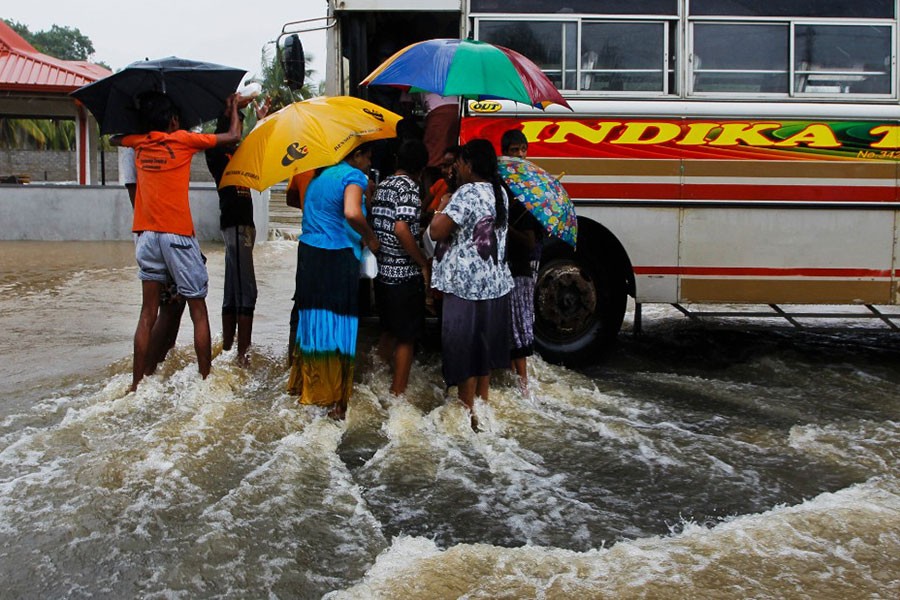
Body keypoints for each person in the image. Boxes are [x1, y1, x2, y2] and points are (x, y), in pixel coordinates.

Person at [112, 91, 242, 392]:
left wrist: (142, 132)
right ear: (173, 120)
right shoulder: (183, 139)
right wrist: (233, 106)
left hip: (145, 236)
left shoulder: (139, 143)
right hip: (178, 236)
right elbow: (233, 137)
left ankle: (135, 384)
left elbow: (114, 140)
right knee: (198, 309)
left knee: (147, 313)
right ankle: (206, 381)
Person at [288, 143, 381, 420]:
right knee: (339, 326)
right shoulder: (351, 176)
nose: (368, 163)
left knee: (314, 323)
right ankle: (336, 404)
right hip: (336, 256)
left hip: (309, 255)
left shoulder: (317, 178)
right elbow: (352, 213)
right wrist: (371, 237)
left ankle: (309, 392)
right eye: (367, 156)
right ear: (355, 156)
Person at [428, 139, 514, 430]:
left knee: (464, 349)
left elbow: (437, 231)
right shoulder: (499, 191)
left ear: (470, 165)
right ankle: (482, 408)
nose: (457, 168)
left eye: (461, 163)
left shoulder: (465, 193)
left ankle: (466, 415)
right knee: (483, 348)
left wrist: (441, 207)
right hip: (495, 285)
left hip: (466, 286)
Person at [205, 89, 270, 364]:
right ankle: (243, 356)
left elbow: (258, 146)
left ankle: (230, 350)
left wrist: (262, 121)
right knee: (247, 290)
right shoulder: (216, 153)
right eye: (238, 124)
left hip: (243, 225)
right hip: (234, 224)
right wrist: (231, 108)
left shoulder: (238, 152)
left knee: (233, 289)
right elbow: (233, 133)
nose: (240, 129)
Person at [120, 141, 186, 376]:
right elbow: (134, 193)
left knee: (174, 303)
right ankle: (147, 371)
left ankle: (159, 365)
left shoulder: (144, 142)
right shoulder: (134, 147)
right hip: (155, 234)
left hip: (160, 232)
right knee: (163, 306)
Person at [371, 139, 430, 395]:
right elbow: (401, 228)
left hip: (382, 273)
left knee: (388, 331)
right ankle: (398, 393)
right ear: (421, 168)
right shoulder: (409, 188)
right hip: (403, 275)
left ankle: (374, 383)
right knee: (406, 337)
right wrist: (422, 262)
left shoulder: (383, 185)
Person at [501, 129, 543, 390]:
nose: (519, 155)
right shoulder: (503, 187)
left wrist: (507, 227)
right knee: (509, 329)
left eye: (522, 150)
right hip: (504, 267)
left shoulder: (529, 193)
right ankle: (514, 380)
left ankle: (523, 385)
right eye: (514, 150)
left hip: (520, 269)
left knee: (519, 329)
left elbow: (529, 241)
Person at [421, 92, 460, 167]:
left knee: (436, 155)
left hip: (439, 112)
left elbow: (406, 105)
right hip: (457, 107)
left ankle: (435, 175)